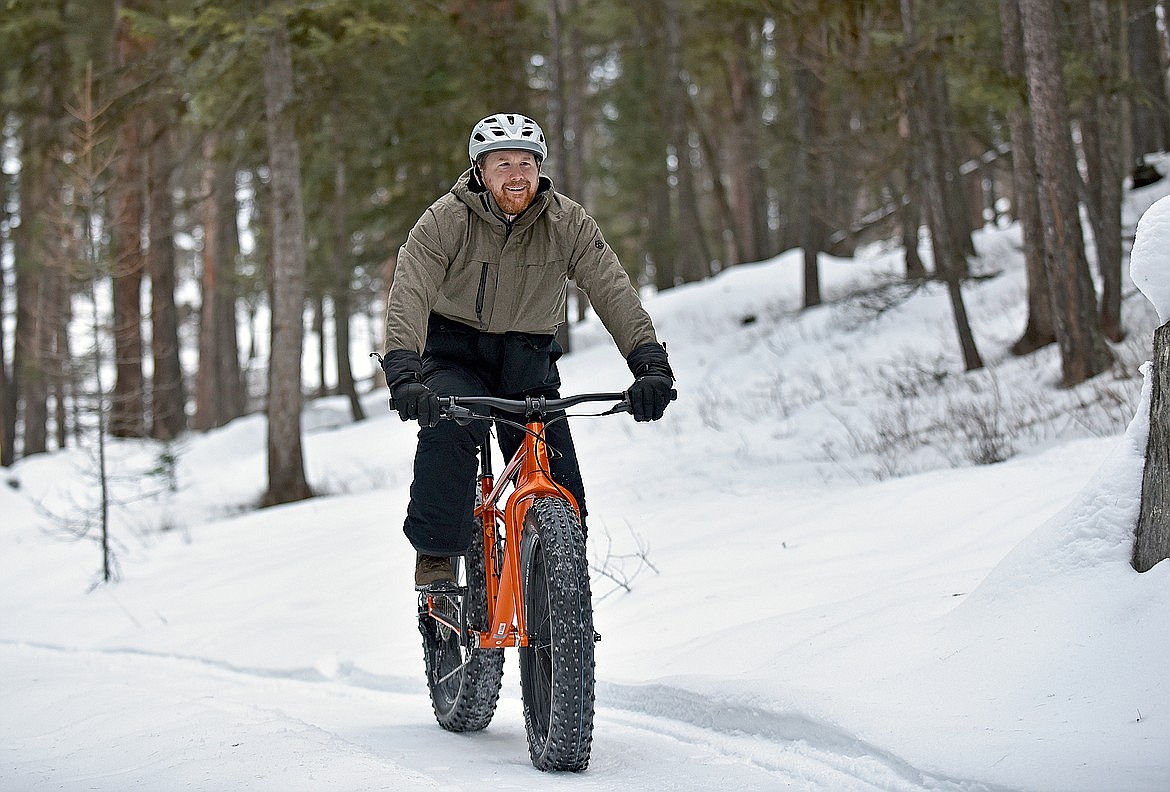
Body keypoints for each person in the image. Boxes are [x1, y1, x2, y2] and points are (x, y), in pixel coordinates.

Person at [381, 112, 674, 589]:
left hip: (528, 362)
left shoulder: (567, 222)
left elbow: (612, 289)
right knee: (452, 432)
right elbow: (410, 292)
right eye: (503, 164)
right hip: (455, 356)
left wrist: (649, 364)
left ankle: (559, 598)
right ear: (480, 171)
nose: (517, 176)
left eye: (526, 163)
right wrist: (404, 371)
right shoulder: (444, 221)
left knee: (561, 484)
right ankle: (436, 557)